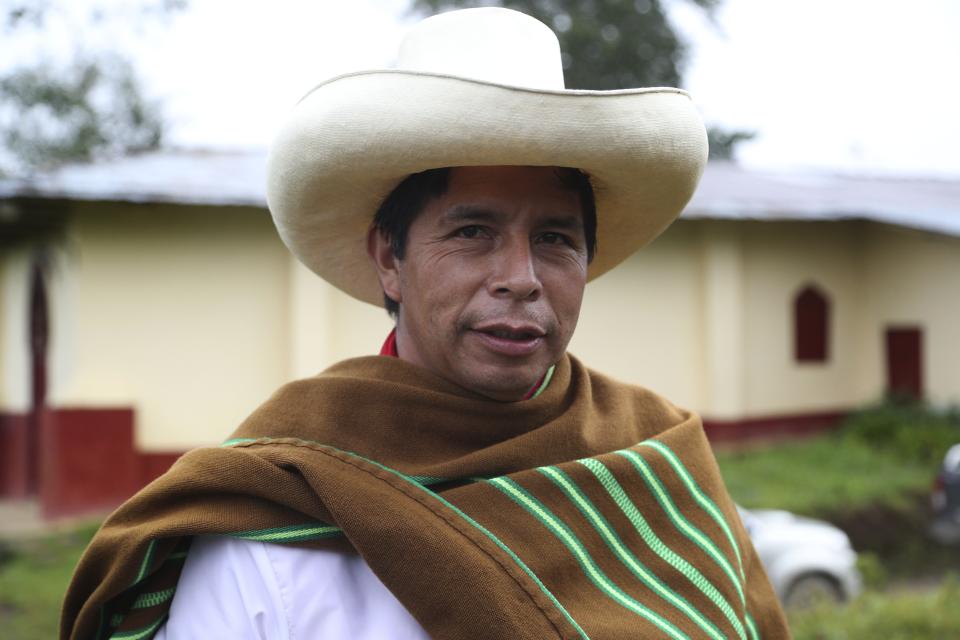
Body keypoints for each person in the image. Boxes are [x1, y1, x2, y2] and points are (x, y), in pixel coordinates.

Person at [61, 8, 790, 640]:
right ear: (390, 258)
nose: (522, 276)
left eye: (557, 238)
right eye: (472, 231)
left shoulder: (660, 469)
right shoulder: (269, 524)